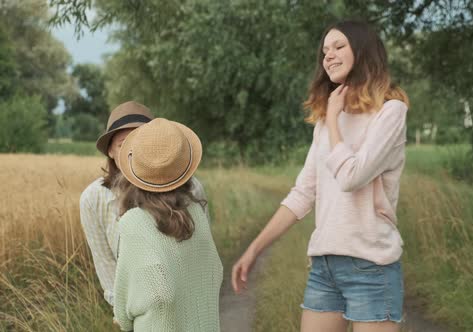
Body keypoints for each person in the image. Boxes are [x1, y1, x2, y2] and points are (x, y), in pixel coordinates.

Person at [232, 20, 410, 332]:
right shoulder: (326, 123)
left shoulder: (390, 112)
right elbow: (303, 193)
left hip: (371, 266)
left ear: (364, 52)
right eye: (325, 50)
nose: (328, 56)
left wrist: (332, 119)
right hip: (325, 268)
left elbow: (352, 176)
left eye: (339, 46)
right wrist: (254, 250)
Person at [79, 101, 210, 307]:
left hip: (189, 302)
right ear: (110, 151)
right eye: (124, 144)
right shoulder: (93, 198)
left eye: (141, 143)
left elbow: (203, 252)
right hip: (137, 311)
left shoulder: (191, 189)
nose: (134, 153)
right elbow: (105, 262)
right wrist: (124, 312)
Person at [112, 118, 222, 331]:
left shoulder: (133, 222)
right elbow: (213, 273)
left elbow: (125, 309)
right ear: (184, 166)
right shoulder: (196, 213)